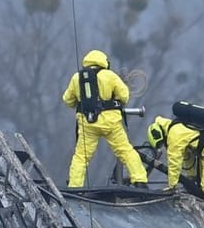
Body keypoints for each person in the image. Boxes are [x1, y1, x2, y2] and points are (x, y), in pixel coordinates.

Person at [61, 49, 148, 189]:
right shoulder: (110, 76)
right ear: (104, 62)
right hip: (111, 123)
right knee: (125, 151)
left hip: (88, 123)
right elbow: (124, 96)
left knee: (81, 157)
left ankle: (75, 186)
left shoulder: (77, 78)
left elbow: (67, 100)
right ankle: (140, 180)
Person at [146, 101, 204, 222]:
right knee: (201, 176)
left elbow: (174, 162)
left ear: (159, 135)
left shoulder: (174, 134)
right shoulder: (179, 127)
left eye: (162, 143)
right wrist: (191, 178)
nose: (164, 145)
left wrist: (172, 185)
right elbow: (188, 156)